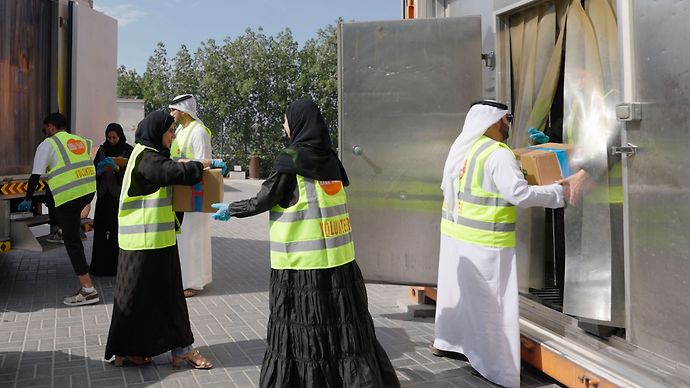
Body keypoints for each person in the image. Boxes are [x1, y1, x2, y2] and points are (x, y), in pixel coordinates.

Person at [210, 98, 400, 388]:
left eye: (286, 119)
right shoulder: (332, 159)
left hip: (301, 269)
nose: (284, 125)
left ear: (298, 122)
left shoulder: (293, 158)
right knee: (343, 333)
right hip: (340, 268)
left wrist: (232, 209)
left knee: (304, 334)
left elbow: (266, 198)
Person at [432, 100, 572, 387]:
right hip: (487, 245)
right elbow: (518, 194)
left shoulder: (466, 148)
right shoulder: (497, 154)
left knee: (465, 301)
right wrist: (561, 193)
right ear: (496, 121)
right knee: (493, 310)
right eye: (508, 118)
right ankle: (496, 369)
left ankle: (451, 343)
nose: (510, 124)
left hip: (459, 241)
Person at [104, 111, 213, 369]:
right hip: (147, 242)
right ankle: (178, 351)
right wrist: (203, 164)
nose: (173, 135)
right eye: (169, 131)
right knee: (161, 299)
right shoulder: (146, 157)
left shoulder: (143, 154)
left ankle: (131, 351)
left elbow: (169, 167)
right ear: (157, 132)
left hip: (150, 243)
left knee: (136, 299)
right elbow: (171, 173)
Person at [18, 112, 99, 306]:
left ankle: (88, 290)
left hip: (68, 197)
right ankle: (67, 230)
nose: (46, 131)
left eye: (46, 128)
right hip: (87, 192)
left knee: (72, 242)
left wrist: (28, 198)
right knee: (72, 235)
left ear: (52, 127)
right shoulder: (79, 141)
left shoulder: (48, 144)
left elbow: (35, 175)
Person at [169, 94, 214, 297]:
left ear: (183, 111)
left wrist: (184, 164)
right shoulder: (180, 129)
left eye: (174, 110)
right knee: (184, 237)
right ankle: (185, 278)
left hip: (195, 192)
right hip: (181, 189)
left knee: (194, 237)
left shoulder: (199, 132)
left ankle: (194, 283)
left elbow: (206, 161)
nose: (172, 114)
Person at [89, 123, 133, 276]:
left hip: (119, 198)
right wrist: (99, 171)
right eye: (109, 137)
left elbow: (133, 174)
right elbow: (93, 172)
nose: (112, 140)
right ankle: (99, 266)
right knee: (100, 231)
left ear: (120, 136)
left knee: (116, 232)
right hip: (103, 196)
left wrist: (117, 169)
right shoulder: (102, 150)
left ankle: (116, 266)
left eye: (114, 137)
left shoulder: (128, 150)